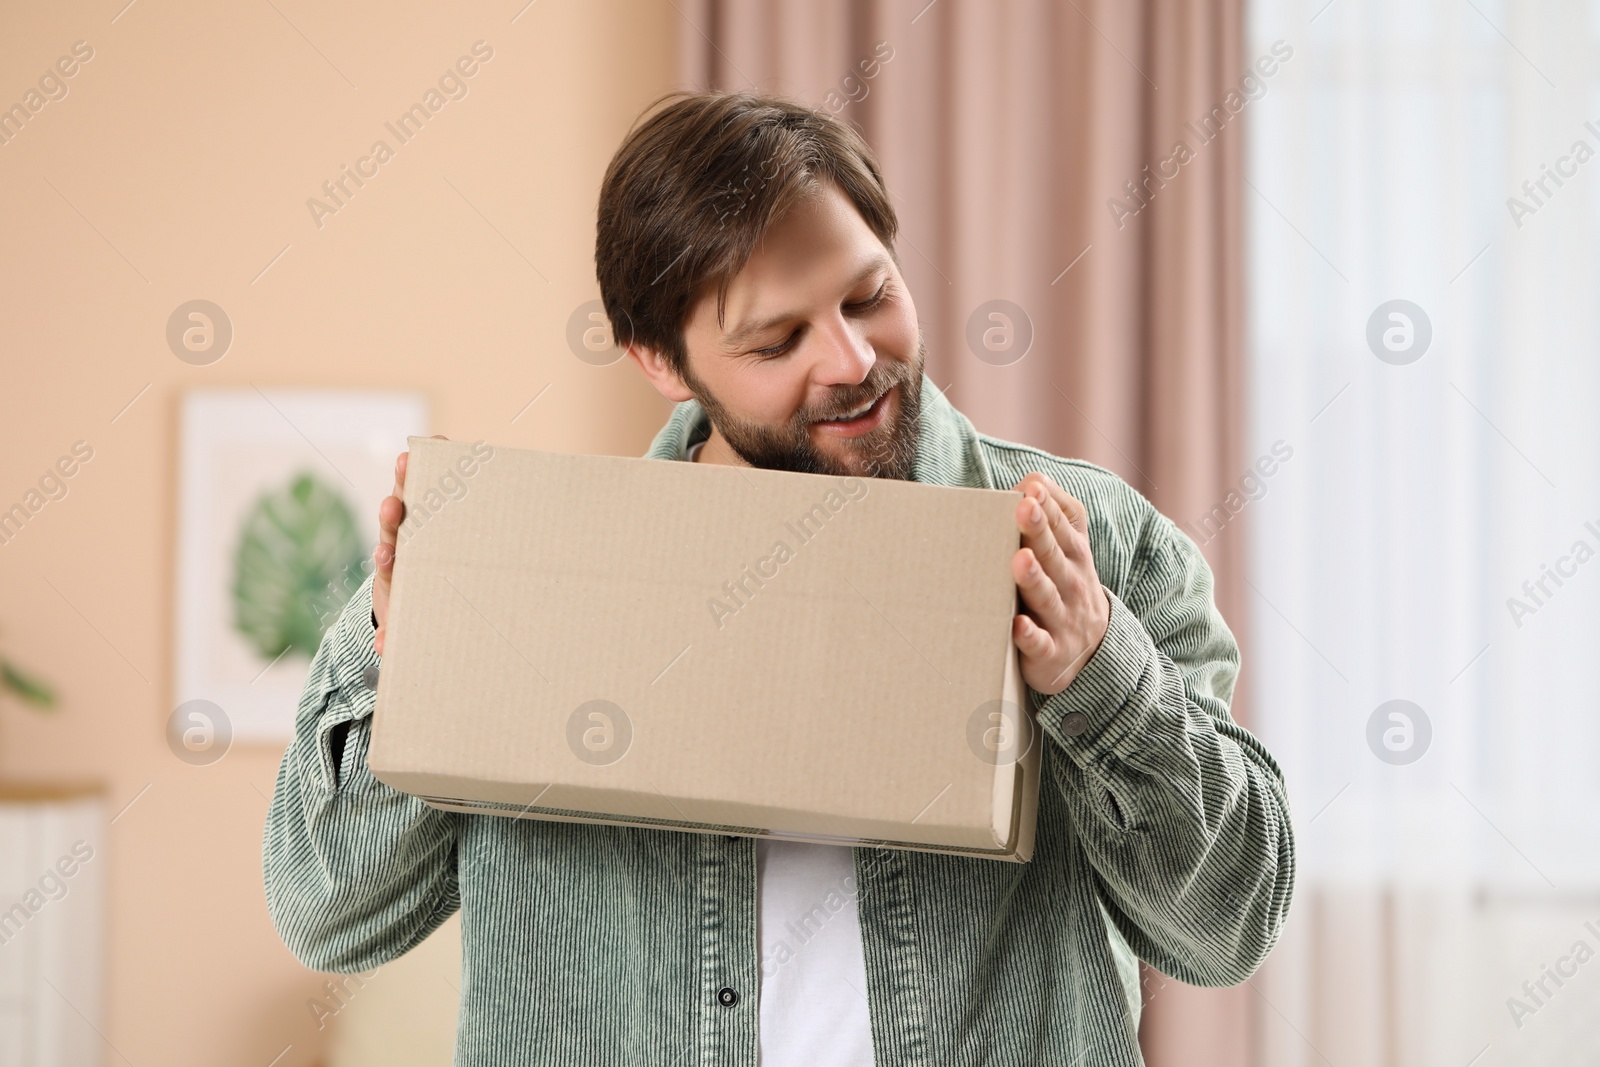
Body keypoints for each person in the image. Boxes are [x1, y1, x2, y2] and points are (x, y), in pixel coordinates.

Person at [263, 90, 1295, 1067]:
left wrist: (1099, 677)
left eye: (870, 295)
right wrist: (405, 667)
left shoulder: (1094, 546)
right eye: (777, 339)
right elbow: (329, 915)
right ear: (661, 362)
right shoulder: (527, 576)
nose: (850, 358)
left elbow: (1229, 927)